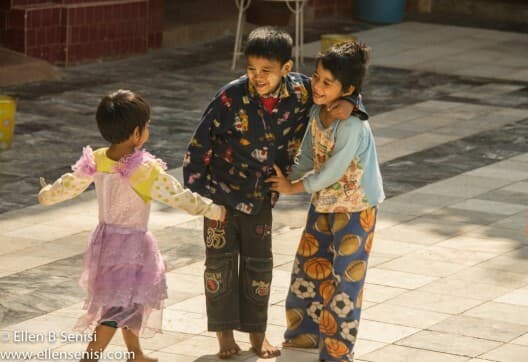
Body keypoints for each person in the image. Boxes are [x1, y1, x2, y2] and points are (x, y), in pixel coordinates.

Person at [183, 27, 367, 359]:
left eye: (266, 70)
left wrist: (352, 102)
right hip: (220, 199)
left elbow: (336, 86)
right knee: (219, 265)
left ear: (286, 68)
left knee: (259, 268)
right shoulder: (230, 96)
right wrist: (201, 198)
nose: (258, 77)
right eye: (251, 69)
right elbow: (199, 145)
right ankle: (224, 336)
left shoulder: (301, 91)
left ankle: (257, 337)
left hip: (261, 198)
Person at [38, 90, 225, 362]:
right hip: (132, 247)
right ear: (137, 133)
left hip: (105, 243)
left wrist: (47, 195)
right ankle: (89, 358)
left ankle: (135, 353)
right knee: (117, 307)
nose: (148, 130)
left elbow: (70, 184)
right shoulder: (144, 169)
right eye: (147, 126)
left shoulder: (98, 159)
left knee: (130, 300)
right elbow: (177, 196)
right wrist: (212, 209)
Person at [266, 41, 385, 362]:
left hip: (356, 208)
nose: (316, 86)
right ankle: (302, 335)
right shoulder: (319, 112)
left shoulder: (353, 124)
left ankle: (337, 351)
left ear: (347, 90)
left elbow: (333, 170)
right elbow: (307, 154)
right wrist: (288, 176)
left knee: (345, 279)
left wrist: (294, 188)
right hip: (324, 203)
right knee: (308, 267)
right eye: (317, 77)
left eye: (326, 82)